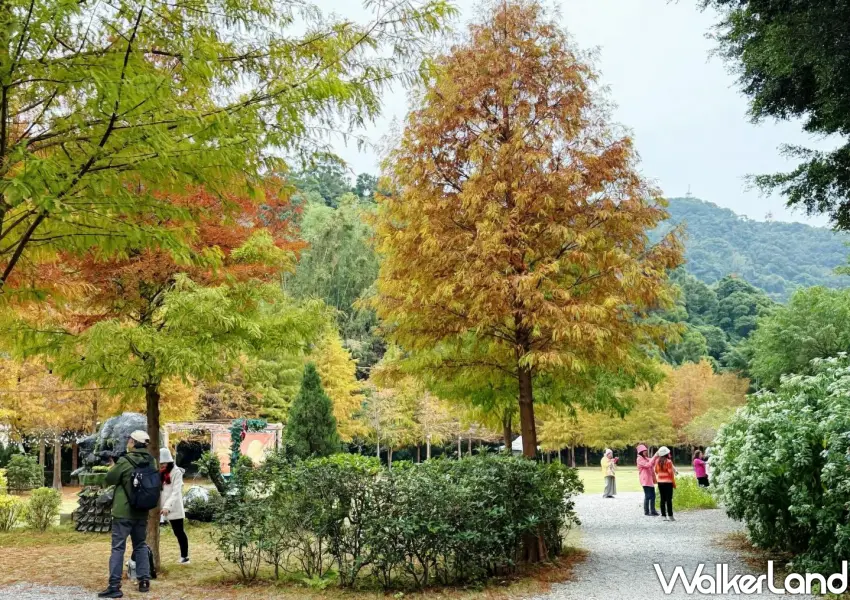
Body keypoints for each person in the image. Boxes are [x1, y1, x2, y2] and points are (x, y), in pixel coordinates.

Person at [99, 430, 159, 598]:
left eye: (130, 440)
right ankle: (144, 581)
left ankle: (114, 586)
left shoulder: (125, 461)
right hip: (141, 511)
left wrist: (113, 467)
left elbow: (110, 479)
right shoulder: (151, 461)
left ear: (133, 442)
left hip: (123, 512)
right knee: (140, 545)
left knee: (118, 548)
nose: (128, 442)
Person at [159, 448, 190, 565]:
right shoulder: (158, 472)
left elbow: (176, 492)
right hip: (158, 506)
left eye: (164, 463)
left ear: (169, 462)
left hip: (173, 506)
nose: (161, 465)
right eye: (160, 463)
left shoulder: (176, 472)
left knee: (179, 532)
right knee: (147, 532)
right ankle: (136, 557)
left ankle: (185, 556)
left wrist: (167, 506)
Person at [654, 446, 678, 522]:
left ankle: (663, 515)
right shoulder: (668, 461)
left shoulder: (657, 461)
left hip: (660, 482)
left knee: (662, 499)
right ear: (666, 454)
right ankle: (670, 516)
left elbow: (656, 471)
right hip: (668, 483)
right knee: (669, 499)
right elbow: (670, 472)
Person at [636, 444, 659, 516]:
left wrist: (657, 456)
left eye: (646, 451)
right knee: (648, 495)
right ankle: (646, 511)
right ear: (640, 452)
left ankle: (653, 510)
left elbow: (653, 461)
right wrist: (655, 456)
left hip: (650, 479)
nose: (646, 452)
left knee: (653, 495)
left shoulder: (645, 458)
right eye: (644, 451)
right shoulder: (639, 459)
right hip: (645, 479)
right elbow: (648, 465)